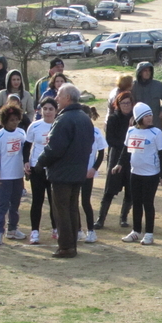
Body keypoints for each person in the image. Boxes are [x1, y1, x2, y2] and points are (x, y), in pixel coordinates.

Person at [35, 84, 94, 258]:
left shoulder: (64, 119)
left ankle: (66, 247)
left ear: (67, 98)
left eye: (59, 95)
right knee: (72, 208)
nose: (56, 98)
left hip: (62, 172)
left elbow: (54, 148)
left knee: (62, 210)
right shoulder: (85, 118)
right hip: (78, 171)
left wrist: (40, 163)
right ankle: (72, 244)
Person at [114, 102, 162, 245]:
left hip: (151, 174)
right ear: (139, 118)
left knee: (147, 203)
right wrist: (119, 164)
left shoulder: (156, 132)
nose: (149, 118)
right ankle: (136, 231)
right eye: (146, 116)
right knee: (136, 202)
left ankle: (149, 233)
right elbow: (126, 150)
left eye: (150, 115)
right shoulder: (131, 131)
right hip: (135, 172)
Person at [94, 91, 134, 230]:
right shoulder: (112, 118)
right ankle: (101, 218)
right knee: (110, 189)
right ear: (118, 104)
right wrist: (125, 144)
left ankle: (123, 218)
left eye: (128, 103)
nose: (126, 106)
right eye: (123, 103)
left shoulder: (136, 119)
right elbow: (110, 140)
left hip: (132, 157)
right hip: (116, 155)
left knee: (130, 189)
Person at [0, 104, 28, 245]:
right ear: (4, 120)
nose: (14, 122)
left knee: (15, 204)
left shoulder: (21, 133)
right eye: (11, 120)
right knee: (2, 204)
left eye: (16, 119)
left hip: (17, 175)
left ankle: (12, 229)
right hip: (5, 175)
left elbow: (25, 152)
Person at [23, 97, 58, 245]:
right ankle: (34, 232)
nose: (48, 112)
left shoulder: (59, 125)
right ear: (40, 110)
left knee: (54, 201)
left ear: (56, 111)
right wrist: (26, 162)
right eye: (45, 109)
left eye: (51, 109)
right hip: (37, 169)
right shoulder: (34, 126)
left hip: (54, 169)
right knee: (37, 201)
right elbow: (27, 146)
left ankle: (56, 229)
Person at [78, 105, 106, 244]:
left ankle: (91, 231)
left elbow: (101, 152)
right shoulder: (74, 130)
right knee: (73, 202)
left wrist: (94, 169)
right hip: (74, 172)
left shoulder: (96, 132)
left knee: (85, 201)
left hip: (88, 172)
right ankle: (77, 230)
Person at [132, 61, 162, 131]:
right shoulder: (134, 86)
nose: (148, 73)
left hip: (155, 121)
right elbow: (129, 101)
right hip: (139, 122)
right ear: (140, 72)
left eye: (149, 70)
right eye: (145, 70)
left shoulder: (157, 85)